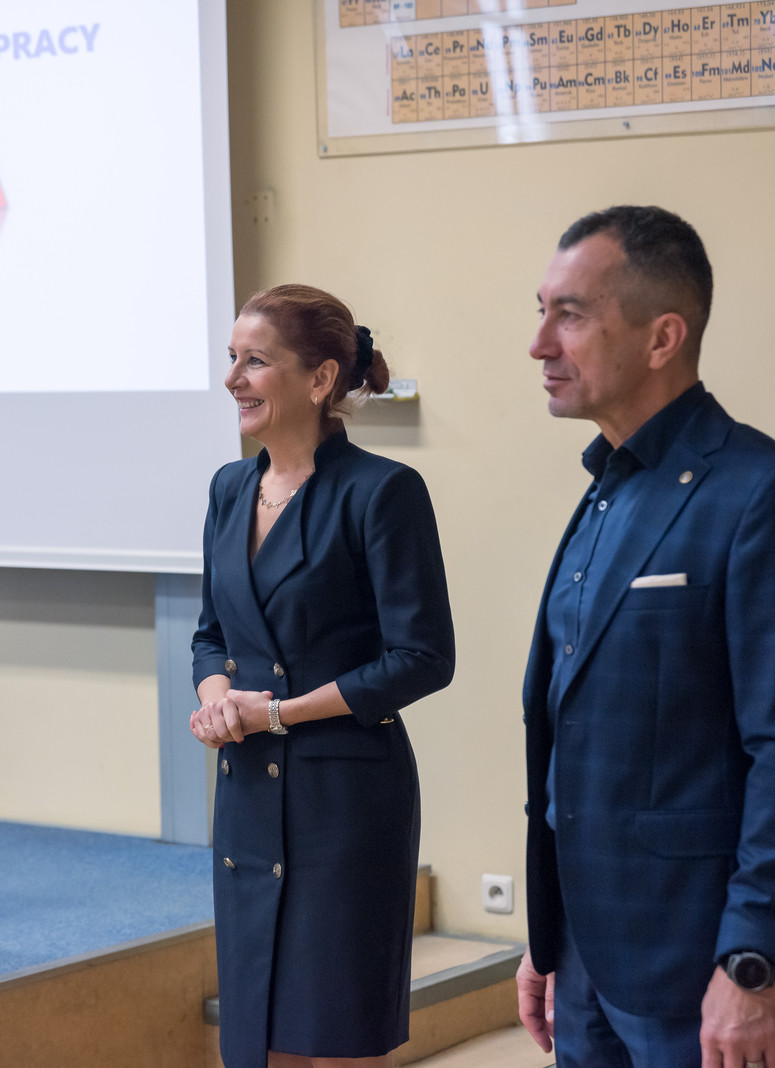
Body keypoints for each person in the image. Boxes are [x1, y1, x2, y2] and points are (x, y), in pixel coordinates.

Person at [515, 205, 775, 1068]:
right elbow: (576, 734)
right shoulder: (605, 487)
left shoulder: (762, 495)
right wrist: (547, 934)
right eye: (541, 311)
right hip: (586, 954)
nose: (540, 344)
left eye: (570, 315)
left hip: (696, 964)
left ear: (663, 338)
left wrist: (754, 961)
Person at [190, 284, 456, 1068]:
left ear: (320, 378)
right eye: (231, 359)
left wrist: (277, 714)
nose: (233, 379)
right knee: (258, 1040)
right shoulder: (228, 488)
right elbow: (211, 634)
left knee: (336, 1036)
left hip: (342, 803)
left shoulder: (383, 491)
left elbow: (422, 658)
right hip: (247, 795)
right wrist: (216, 701)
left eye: (255, 361)